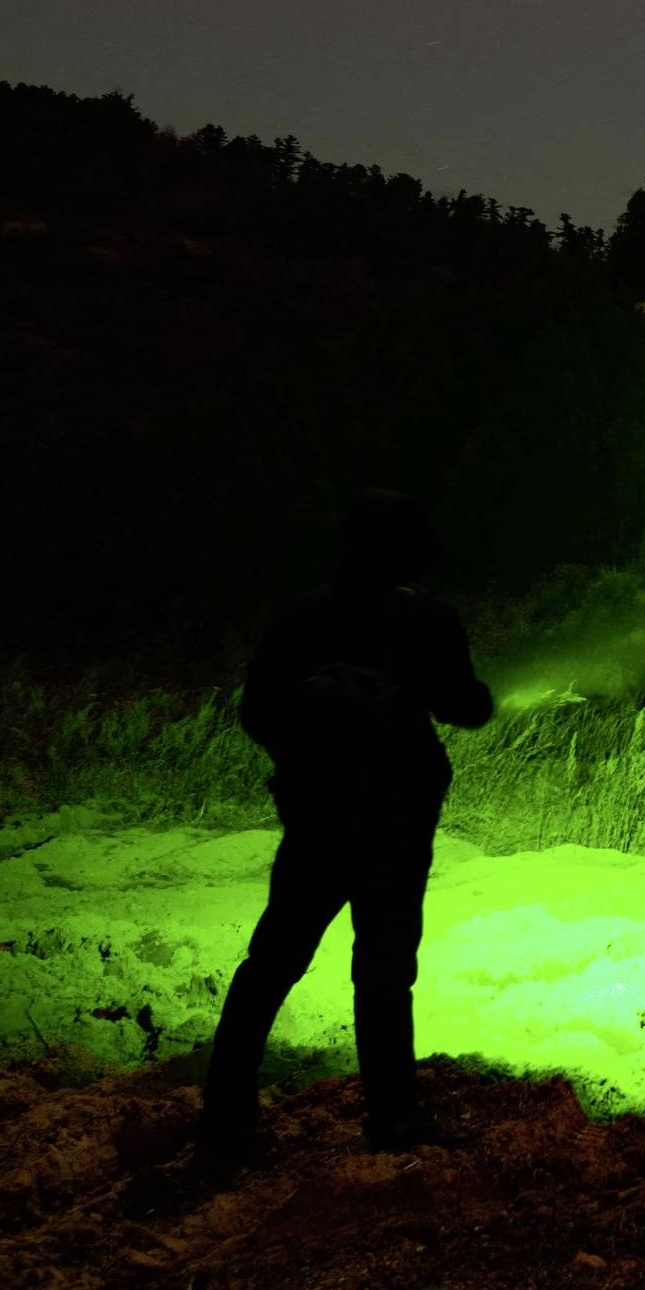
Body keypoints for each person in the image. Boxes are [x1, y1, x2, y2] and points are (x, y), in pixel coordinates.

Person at [196, 488, 494, 1168]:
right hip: (395, 820)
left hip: (319, 817)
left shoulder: (306, 615)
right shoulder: (428, 619)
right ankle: (392, 1118)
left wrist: (307, 752)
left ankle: (225, 1115)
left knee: (273, 961)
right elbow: (468, 708)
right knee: (385, 971)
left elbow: (256, 712)